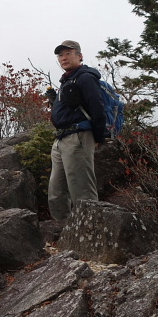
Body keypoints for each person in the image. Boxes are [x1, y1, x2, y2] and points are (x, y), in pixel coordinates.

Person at [47, 40, 106, 220]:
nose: (63, 58)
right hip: (61, 139)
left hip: (78, 136)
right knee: (56, 191)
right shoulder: (67, 80)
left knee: (82, 190)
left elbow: (97, 108)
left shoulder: (86, 77)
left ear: (79, 56)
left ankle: (91, 230)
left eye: (68, 53)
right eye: (60, 55)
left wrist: (98, 137)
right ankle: (63, 230)